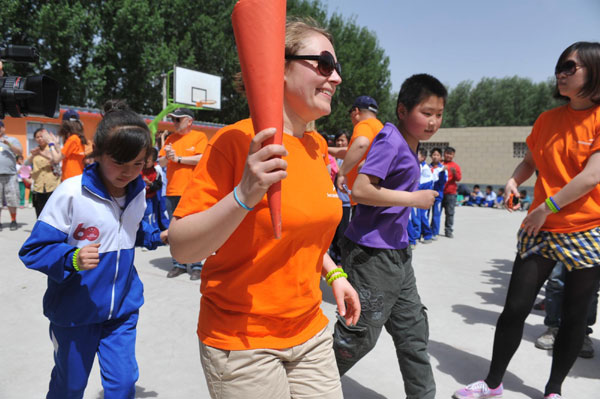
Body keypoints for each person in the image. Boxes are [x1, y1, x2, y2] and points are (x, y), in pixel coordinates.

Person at [168, 18, 360, 399]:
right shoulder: (235, 141)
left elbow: (298, 231)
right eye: (323, 63)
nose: (335, 77)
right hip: (243, 343)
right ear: (279, 69)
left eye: (336, 67)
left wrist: (334, 273)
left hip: (311, 332)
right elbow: (181, 247)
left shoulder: (316, 147)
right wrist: (244, 194)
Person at [454, 41, 600, 399]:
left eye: (570, 67)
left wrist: (545, 206)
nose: (560, 74)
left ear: (594, 72)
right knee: (514, 309)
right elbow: (531, 162)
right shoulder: (548, 119)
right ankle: (492, 383)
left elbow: (591, 176)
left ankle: (553, 390)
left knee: (574, 318)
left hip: (586, 229)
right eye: (559, 67)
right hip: (541, 229)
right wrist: (513, 180)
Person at [19, 100, 167, 399]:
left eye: (137, 163)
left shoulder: (139, 192)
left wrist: (159, 235)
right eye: (119, 163)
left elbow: (132, 231)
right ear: (97, 155)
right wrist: (71, 257)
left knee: (123, 386)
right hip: (75, 313)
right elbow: (33, 250)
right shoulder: (71, 193)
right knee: (70, 386)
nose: (129, 172)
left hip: (122, 310)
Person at [333, 73, 446, 399]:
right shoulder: (391, 139)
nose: (433, 121)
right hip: (371, 254)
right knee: (359, 337)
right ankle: (308, 386)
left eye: (438, 114)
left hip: (397, 253)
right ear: (402, 110)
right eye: (426, 113)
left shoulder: (410, 145)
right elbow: (362, 189)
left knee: (413, 333)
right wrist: (413, 199)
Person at [158, 107, 207, 280]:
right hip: (172, 190)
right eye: (173, 119)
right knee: (174, 230)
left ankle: (195, 265)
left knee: (194, 230)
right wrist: (168, 156)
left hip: (192, 191)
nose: (174, 123)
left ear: (189, 121)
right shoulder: (170, 139)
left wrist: (178, 158)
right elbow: (162, 162)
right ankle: (178, 263)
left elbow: (201, 158)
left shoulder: (199, 137)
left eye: (178, 119)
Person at [534, 261, 598, 359]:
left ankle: (582, 333)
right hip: (562, 247)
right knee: (556, 282)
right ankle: (553, 327)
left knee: (590, 288)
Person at [336, 95, 383, 202]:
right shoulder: (379, 127)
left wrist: (342, 173)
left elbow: (361, 144)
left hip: (363, 195)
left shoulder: (364, 125)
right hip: (374, 194)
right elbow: (351, 153)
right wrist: (325, 149)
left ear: (356, 111)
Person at [27, 128, 62, 217]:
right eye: (37, 137)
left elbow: (55, 159)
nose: (39, 139)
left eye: (41, 136)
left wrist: (40, 154)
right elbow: (26, 163)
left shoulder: (52, 148)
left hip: (52, 185)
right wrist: (32, 155)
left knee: (53, 214)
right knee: (39, 213)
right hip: (38, 186)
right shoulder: (35, 150)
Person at [46, 109, 88, 181]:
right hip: (76, 178)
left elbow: (56, 159)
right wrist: (56, 145)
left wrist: (50, 143)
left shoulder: (73, 139)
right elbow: (64, 155)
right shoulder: (77, 139)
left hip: (70, 179)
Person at [329, 131, 352, 264]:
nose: (339, 143)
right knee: (332, 235)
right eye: (338, 140)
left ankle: (342, 262)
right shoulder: (332, 157)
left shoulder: (349, 157)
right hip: (333, 201)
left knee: (343, 235)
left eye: (342, 140)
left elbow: (340, 171)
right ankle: (332, 261)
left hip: (345, 202)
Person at [0, 119, 23, 231]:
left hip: (10, 174)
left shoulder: (12, 139)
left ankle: (13, 220)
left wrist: (8, 144)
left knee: (12, 199)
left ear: (3, 128)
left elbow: (20, 152)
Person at [442, 146, 461, 237]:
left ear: (453, 155)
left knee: (450, 213)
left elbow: (459, 179)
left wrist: (454, 173)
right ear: (444, 154)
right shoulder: (440, 163)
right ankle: (432, 229)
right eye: (447, 153)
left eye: (451, 154)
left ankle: (448, 230)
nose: (448, 155)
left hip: (451, 193)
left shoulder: (455, 166)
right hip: (440, 192)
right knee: (436, 212)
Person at [430, 147, 446, 239]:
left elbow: (443, 181)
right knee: (425, 214)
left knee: (436, 214)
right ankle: (425, 231)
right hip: (428, 193)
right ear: (431, 156)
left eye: (437, 155)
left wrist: (443, 172)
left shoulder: (442, 169)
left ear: (440, 157)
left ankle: (435, 232)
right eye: (434, 155)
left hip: (438, 195)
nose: (435, 157)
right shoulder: (428, 167)